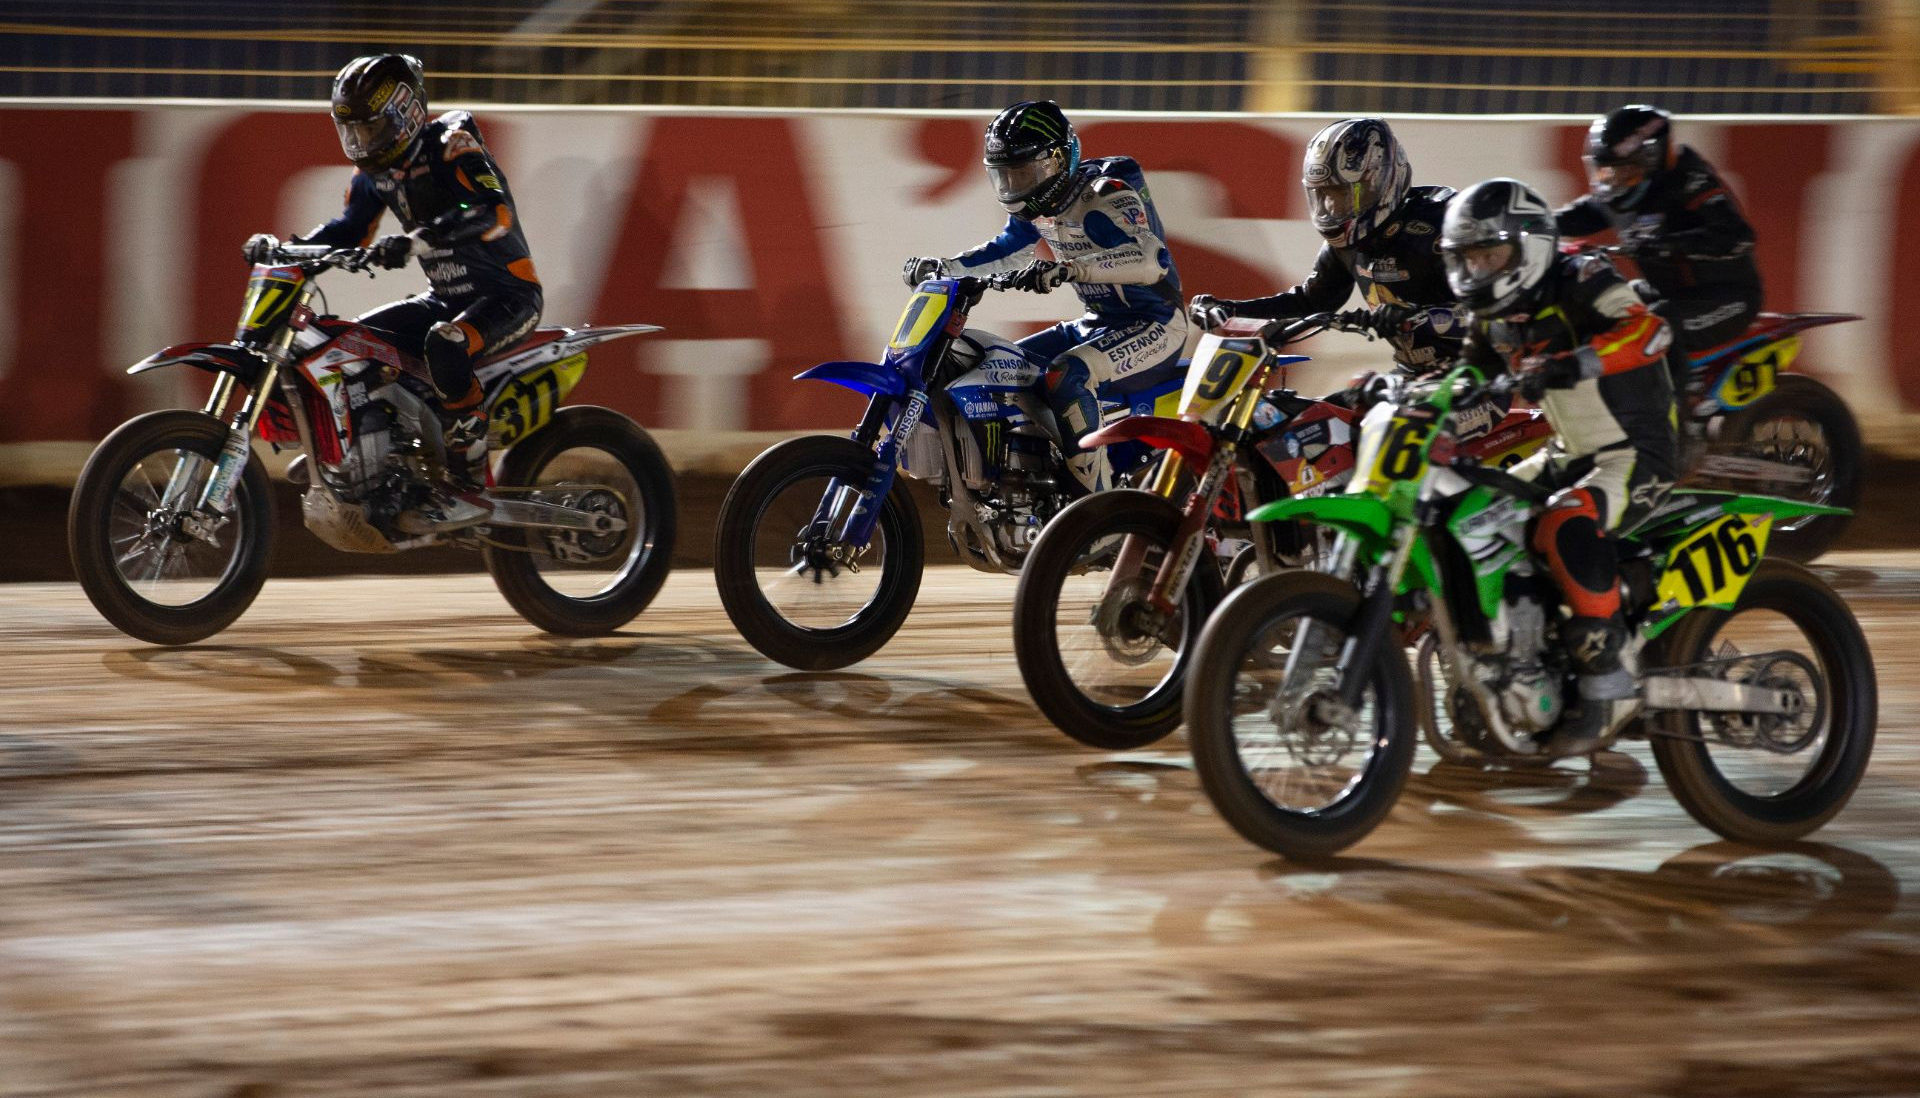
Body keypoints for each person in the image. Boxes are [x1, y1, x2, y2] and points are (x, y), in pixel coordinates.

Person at [243, 54, 543, 532]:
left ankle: (470, 482)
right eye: (353, 131)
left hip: (507, 294)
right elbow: (348, 231)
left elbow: (493, 213)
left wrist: (415, 240)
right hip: (443, 298)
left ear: (406, 113)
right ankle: (368, 459)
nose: (362, 142)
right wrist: (285, 249)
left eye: (372, 128)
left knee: (445, 344)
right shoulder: (374, 174)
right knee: (355, 344)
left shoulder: (452, 145)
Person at [1442, 177, 1679, 755]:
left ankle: (1612, 684)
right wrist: (1405, 396)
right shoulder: (1492, 314)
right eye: (1468, 259)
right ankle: (1511, 671)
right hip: (1565, 455)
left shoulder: (1583, 278)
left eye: (1490, 255)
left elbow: (1652, 331)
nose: (1478, 271)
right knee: (1467, 516)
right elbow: (1466, 376)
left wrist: (1578, 363)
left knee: (1565, 522)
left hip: (1634, 453)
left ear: (1530, 246)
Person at [901, 100, 1184, 495]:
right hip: (1098, 323)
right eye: (1006, 176)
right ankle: (1037, 485)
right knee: (1007, 368)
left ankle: (1096, 503)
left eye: (1024, 172)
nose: (1016, 187)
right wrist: (945, 267)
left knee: (1068, 374)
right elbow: (1005, 250)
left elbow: (1151, 258)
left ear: (1057, 160)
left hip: (1155, 325)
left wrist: (1071, 268)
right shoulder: (1039, 206)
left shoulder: (1106, 194)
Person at [1187, 118, 1467, 377]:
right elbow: (1311, 302)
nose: (1331, 207)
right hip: (1411, 377)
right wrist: (1231, 309)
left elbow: (1493, 311)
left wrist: (1422, 317)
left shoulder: (1443, 227)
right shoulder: (1346, 246)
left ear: (1378, 183)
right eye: (1323, 195)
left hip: (1476, 379)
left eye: (1341, 194)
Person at [1555, 104, 1760, 395]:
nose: (1615, 180)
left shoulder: (1691, 181)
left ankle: (1673, 425)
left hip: (1728, 298)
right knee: (1608, 303)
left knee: (1660, 323)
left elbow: (1739, 236)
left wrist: (1671, 246)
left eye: (1626, 170)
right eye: (1606, 171)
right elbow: (1576, 216)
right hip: (1667, 293)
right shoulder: (1618, 194)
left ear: (1653, 159)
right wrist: (1534, 226)